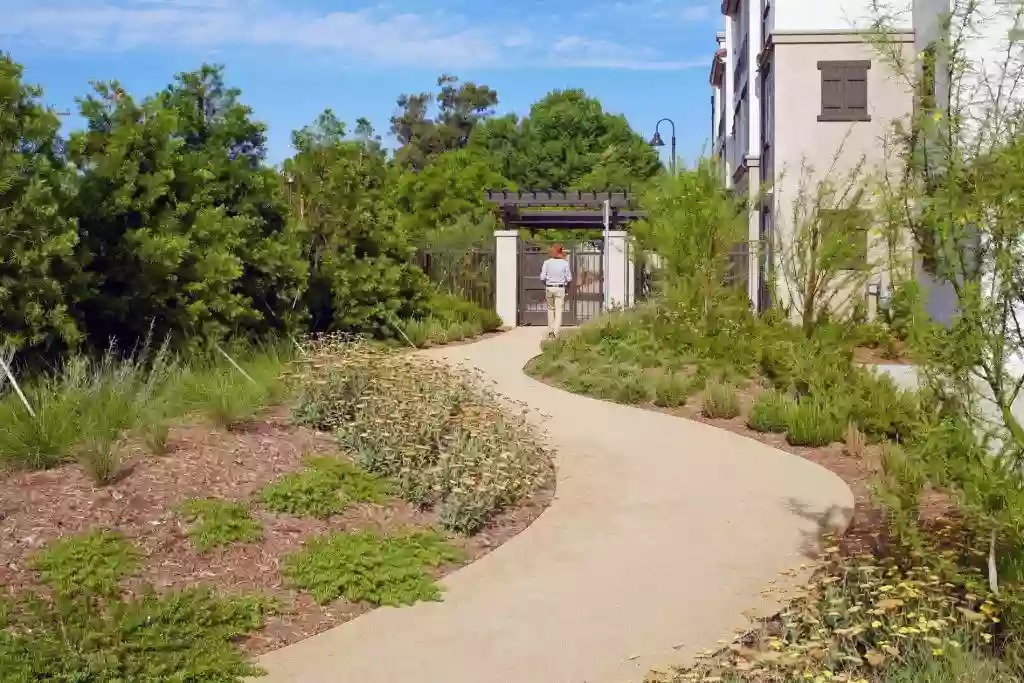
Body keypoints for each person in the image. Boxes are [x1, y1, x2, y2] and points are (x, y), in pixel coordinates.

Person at [539, 244, 572, 339]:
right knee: (558, 310)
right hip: (560, 288)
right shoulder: (565, 263)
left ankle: (550, 330)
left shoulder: (547, 262)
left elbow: (542, 277)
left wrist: (546, 284)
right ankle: (555, 332)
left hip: (549, 287)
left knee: (550, 309)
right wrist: (567, 287)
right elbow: (569, 279)